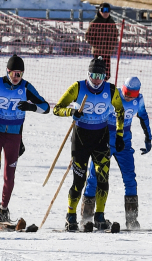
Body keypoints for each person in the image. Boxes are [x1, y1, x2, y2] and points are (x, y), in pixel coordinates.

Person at [53, 56, 125, 232]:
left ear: (105, 76)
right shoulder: (78, 87)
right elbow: (57, 108)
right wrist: (71, 112)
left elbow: (120, 110)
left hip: (101, 139)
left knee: (103, 178)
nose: (96, 79)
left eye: (100, 76)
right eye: (93, 75)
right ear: (88, 73)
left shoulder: (111, 90)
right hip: (81, 139)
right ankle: (71, 216)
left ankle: (99, 216)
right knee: (79, 180)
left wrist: (120, 134)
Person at [0, 54, 49, 223]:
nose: (16, 77)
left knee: (10, 172)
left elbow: (45, 107)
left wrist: (31, 107)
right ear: (7, 72)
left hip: (14, 135)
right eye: (13, 73)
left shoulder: (25, 86)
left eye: (20, 74)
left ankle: (4, 208)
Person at [82, 76, 152, 230]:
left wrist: (148, 139)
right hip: (104, 139)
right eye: (126, 93)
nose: (127, 97)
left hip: (124, 144)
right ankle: (86, 218)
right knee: (95, 177)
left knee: (130, 179)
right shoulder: (113, 94)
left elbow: (144, 118)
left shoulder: (138, 101)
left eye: (131, 95)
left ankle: (132, 220)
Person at [85, 3, 118, 79]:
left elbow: (115, 35)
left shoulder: (111, 22)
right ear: (100, 11)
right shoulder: (95, 22)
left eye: (107, 10)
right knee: (97, 73)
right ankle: (96, 87)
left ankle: (104, 87)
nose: (105, 13)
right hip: (98, 52)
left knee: (107, 74)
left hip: (107, 52)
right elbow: (88, 35)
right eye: (103, 10)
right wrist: (96, 45)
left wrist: (112, 46)